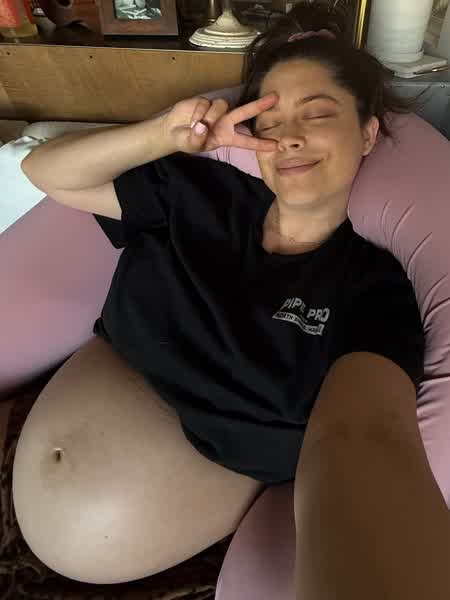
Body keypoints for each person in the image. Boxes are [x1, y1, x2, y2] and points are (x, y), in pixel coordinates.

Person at [12, 0, 425, 589]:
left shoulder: (374, 288)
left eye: (318, 113)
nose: (289, 138)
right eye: (269, 120)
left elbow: (371, 436)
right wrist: (162, 135)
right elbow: (45, 173)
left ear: (367, 134)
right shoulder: (203, 191)